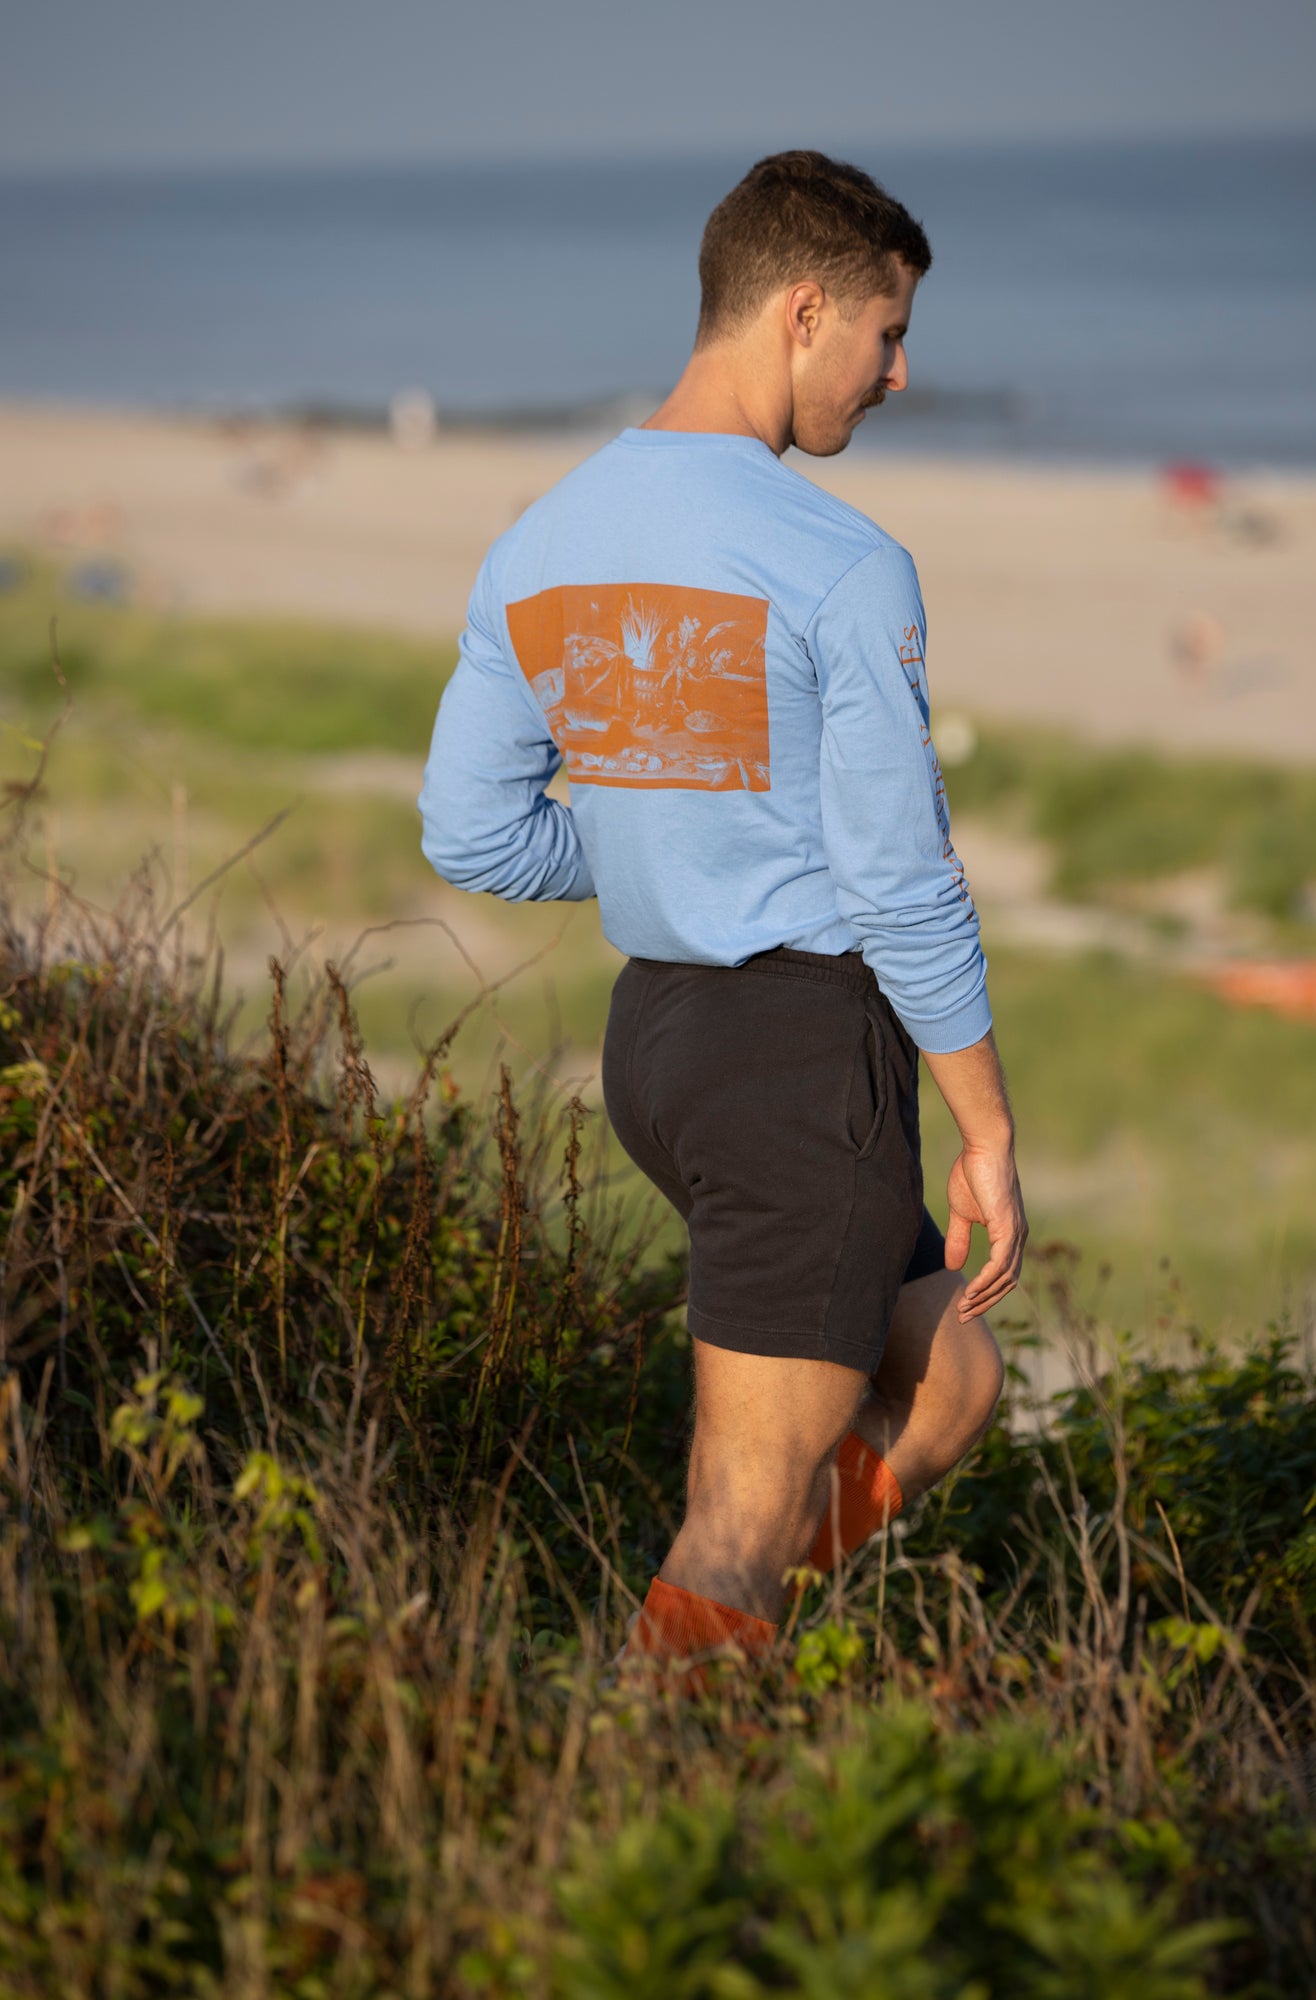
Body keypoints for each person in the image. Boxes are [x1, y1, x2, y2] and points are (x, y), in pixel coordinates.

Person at [418, 150, 1027, 1674]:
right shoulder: (837, 561)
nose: (899, 372)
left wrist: (652, 846)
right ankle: (637, 1797)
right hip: (789, 1053)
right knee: (735, 1524)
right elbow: (898, 882)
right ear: (804, 310)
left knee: (949, 1384)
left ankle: (740, 1663)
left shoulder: (540, 537)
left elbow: (473, 831)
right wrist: (989, 1135)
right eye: (886, 334)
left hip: (661, 1048)